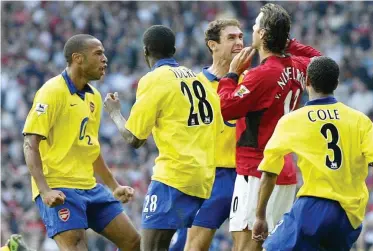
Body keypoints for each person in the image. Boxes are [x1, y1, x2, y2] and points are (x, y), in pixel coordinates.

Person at [253, 56, 373, 250]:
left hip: (313, 207)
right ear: (336, 83)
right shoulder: (359, 120)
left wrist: (260, 215)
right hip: (349, 217)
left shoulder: (292, 121)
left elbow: (269, 173)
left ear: (307, 81)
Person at [103, 25, 223, 251]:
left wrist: (115, 113)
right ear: (174, 50)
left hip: (173, 178)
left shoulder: (154, 79)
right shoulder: (200, 80)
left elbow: (134, 138)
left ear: (146, 51)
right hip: (203, 180)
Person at [22, 34, 141, 251]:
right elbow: (31, 143)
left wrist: (114, 186)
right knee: (77, 245)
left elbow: (91, 148)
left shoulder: (94, 96)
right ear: (78, 58)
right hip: (59, 186)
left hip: (89, 186)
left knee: (134, 242)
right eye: (98, 53)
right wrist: (45, 190)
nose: (105, 59)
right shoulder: (52, 91)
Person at [217, 4, 321, 251]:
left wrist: (231, 76)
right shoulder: (297, 66)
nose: (250, 29)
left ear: (262, 34)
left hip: (256, 170)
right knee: (270, 245)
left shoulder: (261, 74)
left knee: (245, 246)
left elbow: (227, 108)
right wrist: (289, 42)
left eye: (255, 26)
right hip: (283, 171)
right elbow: (320, 60)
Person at [170, 19, 243, 251]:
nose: (239, 42)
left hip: (248, 174)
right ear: (212, 45)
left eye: (241, 37)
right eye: (231, 38)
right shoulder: (193, 85)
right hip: (211, 176)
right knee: (192, 246)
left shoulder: (253, 80)